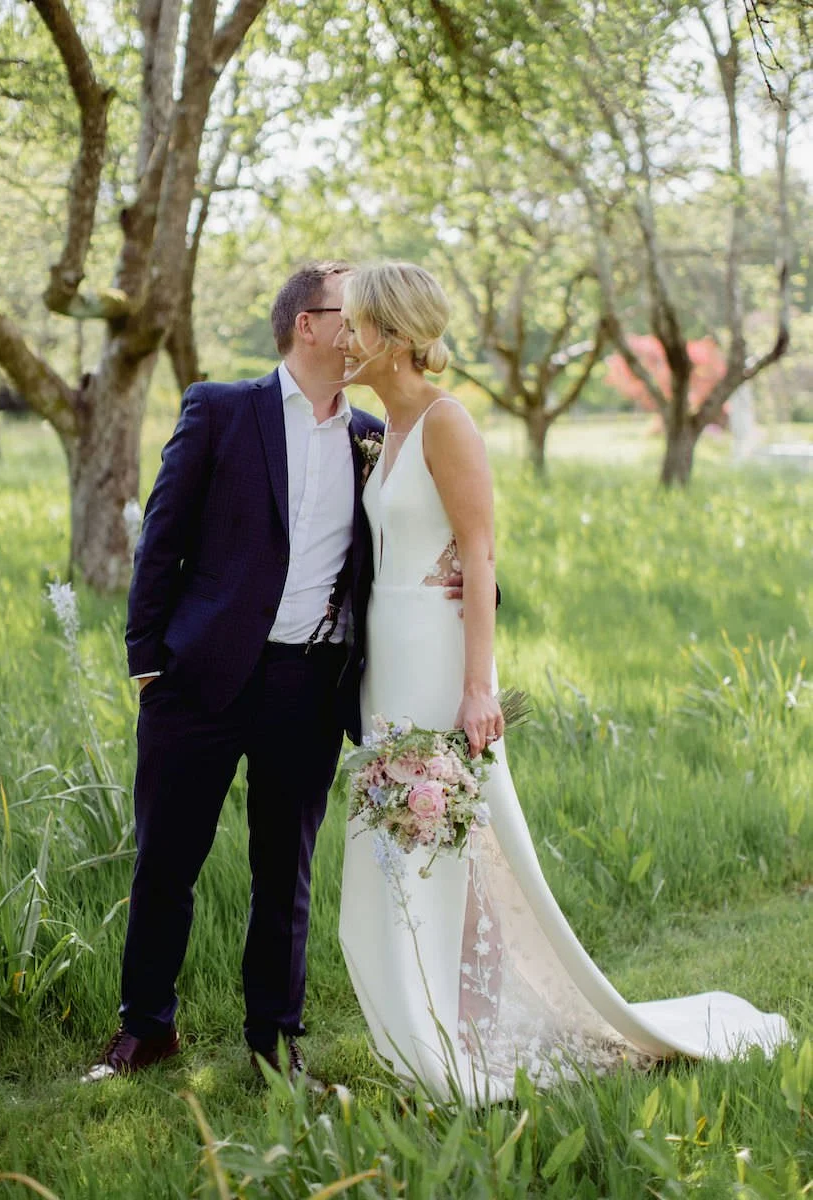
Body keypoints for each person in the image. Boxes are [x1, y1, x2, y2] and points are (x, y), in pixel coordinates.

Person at [335, 261, 791, 1103]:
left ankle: (466, 1034)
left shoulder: (445, 422)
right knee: (396, 840)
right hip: (386, 662)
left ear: (393, 337)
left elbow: (479, 557)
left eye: (355, 323)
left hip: (439, 656)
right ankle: (426, 1028)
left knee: (456, 834)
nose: (343, 336)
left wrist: (478, 688)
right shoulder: (380, 430)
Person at [83, 262, 386, 1087]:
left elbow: (408, 546)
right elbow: (161, 540)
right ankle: (146, 1030)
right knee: (166, 864)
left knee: (284, 875)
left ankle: (273, 1042)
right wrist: (148, 663)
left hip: (309, 686)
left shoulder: (373, 436)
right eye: (351, 313)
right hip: (197, 681)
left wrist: (468, 585)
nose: (364, 327)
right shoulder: (220, 409)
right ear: (306, 324)